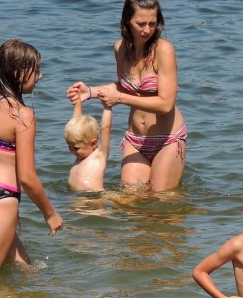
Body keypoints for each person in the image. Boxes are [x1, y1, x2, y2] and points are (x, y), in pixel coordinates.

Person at [67, 0, 186, 190]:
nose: (147, 30)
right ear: (127, 22)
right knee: (131, 201)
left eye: (152, 23)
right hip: (135, 139)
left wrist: (120, 99)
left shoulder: (163, 50)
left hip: (167, 139)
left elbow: (166, 104)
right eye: (141, 24)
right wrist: (90, 92)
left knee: (162, 203)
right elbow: (126, 87)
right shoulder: (120, 49)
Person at [0, 40, 63, 277]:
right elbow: (27, 177)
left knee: (27, 272)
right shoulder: (22, 116)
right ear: (19, 72)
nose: (40, 77)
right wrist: (50, 214)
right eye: (37, 70)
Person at [64, 83, 112, 191]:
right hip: (78, 199)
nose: (72, 151)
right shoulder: (79, 156)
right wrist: (78, 100)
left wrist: (108, 106)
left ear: (93, 143)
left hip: (94, 199)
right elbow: (76, 120)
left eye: (76, 148)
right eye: (69, 146)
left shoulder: (99, 156)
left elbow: (106, 128)